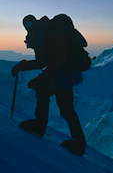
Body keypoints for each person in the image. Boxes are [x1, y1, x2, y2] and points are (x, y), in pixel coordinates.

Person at [11, 14, 86, 156]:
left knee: (49, 94)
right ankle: (78, 142)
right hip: (66, 71)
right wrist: (23, 66)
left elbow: (53, 60)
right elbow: (43, 61)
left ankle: (41, 126)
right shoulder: (43, 33)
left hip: (64, 72)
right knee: (65, 107)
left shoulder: (46, 35)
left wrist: (42, 76)